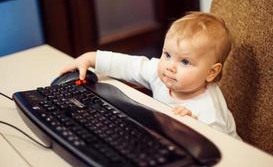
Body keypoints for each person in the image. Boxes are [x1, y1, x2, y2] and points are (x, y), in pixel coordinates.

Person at [61, 12, 241, 139]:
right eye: (167, 55)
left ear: (211, 72)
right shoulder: (162, 74)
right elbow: (130, 66)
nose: (170, 67)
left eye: (185, 62)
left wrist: (196, 126)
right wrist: (92, 58)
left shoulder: (209, 111)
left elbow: (223, 151)